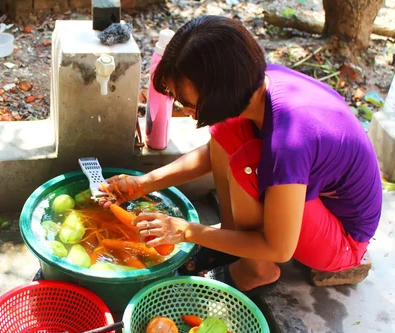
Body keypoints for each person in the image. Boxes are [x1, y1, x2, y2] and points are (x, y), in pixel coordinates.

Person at [102, 16, 383, 297]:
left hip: (343, 239)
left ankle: (256, 270)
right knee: (227, 131)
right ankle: (231, 236)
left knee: (247, 164)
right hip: (317, 199)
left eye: (185, 99)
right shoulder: (257, 86)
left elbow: (279, 248)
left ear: (219, 90)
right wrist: (144, 183)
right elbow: (214, 154)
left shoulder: (288, 142)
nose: (181, 107)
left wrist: (188, 231)